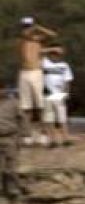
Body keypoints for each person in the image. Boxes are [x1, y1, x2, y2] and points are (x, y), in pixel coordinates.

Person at [16, 17, 58, 146]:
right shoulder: (21, 41)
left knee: (40, 106)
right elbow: (25, 36)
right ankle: (27, 135)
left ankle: (43, 134)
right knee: (25, 107)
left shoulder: (38, 40)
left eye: (28, 26)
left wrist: (38, 27)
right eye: (25, 26)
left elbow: (53, 35)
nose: (27, 29)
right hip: (24, 73)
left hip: (36, 73)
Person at [40, 46, 73, 147]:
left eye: (57, 54)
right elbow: (39, 52)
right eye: (53, 53)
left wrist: (67, 93)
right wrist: (51, 49)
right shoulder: (44, 62)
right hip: (47, 94)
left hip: (59, 94)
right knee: (49, 119)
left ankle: (66, 139)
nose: (55, 56)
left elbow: (67, 80)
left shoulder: (64, 65)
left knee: (62, 118)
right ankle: (52, 140)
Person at [0, 94, 23, 198]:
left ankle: (12, 189)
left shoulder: (13, 103)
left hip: (10, 137)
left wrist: (23, 136)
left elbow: (22, 118)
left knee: (11, 166)